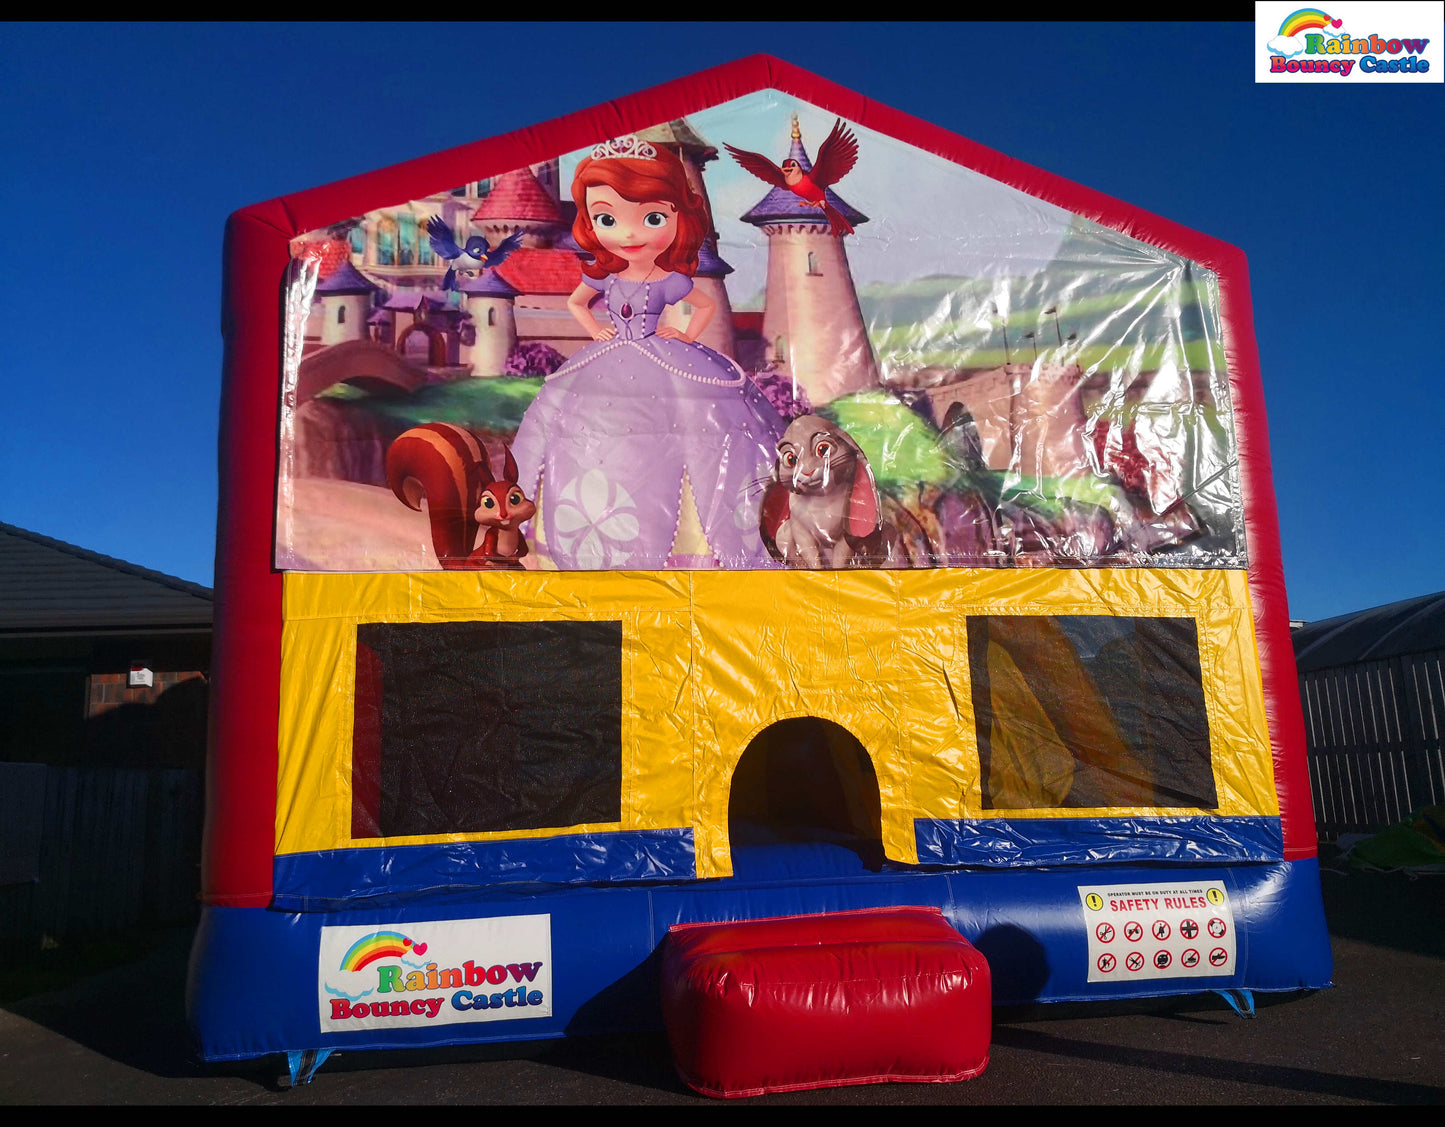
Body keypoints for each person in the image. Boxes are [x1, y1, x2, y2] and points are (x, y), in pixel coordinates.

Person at [509, 136, 784, 570]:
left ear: (678, 218)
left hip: (664, 351)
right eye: (606, 217)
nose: (631, 232)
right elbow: (576, 303)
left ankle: (721, 553)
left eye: (652, 217)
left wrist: (685, 333)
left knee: (705, 429)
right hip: (610, 354)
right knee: (569, 430)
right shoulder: (606, 276)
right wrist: (596, 330)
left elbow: (706, 305)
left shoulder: (668, 280)